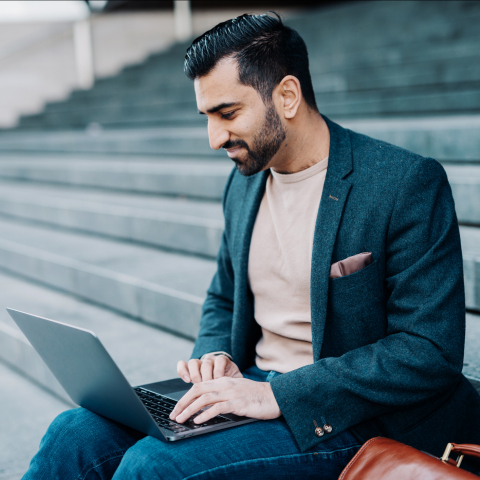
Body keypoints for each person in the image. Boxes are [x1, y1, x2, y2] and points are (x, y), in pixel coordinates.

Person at [22, 12, 480, 480]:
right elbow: (223, 296)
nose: (214, 138)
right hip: (250, 388)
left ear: (286, 96)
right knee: (73, 434)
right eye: (207, 117)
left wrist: (277, 396)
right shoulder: (244, 184)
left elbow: (429, 351)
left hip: (349, 415)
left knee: (154, 467)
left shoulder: (403, 182)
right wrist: (213, 357)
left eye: (227, 113)